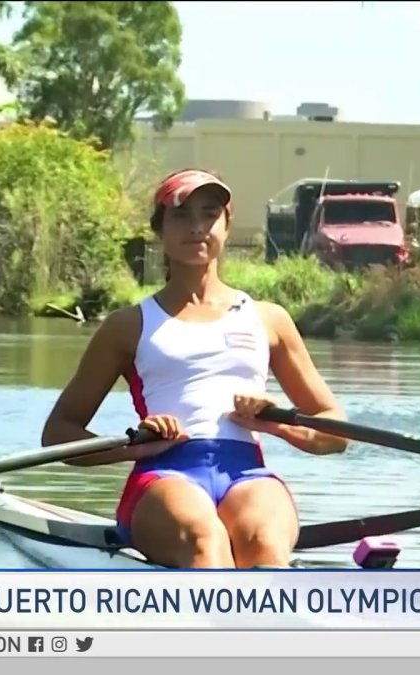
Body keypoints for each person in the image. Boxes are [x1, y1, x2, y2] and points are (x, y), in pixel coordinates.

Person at [41, 168, 349, 569]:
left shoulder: (269, 319)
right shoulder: (127, 325)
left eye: (209, 214)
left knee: (267, 545)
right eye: (181, 216)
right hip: (164, 475)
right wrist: (134, 446)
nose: (197, 227)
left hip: (247, 474)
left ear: (226, 225)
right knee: (206, 545)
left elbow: (335, 430)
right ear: (159, 230)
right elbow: (59, 434)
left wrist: (275, 423)